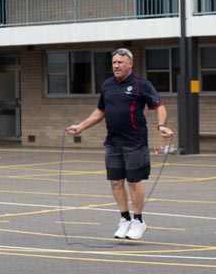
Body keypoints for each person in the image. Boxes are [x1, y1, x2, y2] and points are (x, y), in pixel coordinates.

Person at [64, 49, 172, 240]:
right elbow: (100, 112)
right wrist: (81, 127)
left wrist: (161, 125)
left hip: (135, 142)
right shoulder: (107, 85)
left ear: (130, 64)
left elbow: (159, 105)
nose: (116, 66)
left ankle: (138, 221)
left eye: (120, 62)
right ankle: (125, 219)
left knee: (133, 182)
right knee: (115, 182)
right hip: (113, 143)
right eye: (114, 62)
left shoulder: (142, 85)